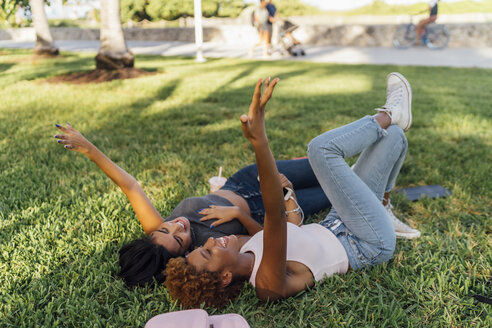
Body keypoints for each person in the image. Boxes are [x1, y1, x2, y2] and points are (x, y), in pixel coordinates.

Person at [165, 72, 414, 308]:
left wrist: (289, 195)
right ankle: (391, 112)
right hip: (367, 242)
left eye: (202, 247)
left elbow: (290, 227)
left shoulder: (244, 247)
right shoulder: (267, 286)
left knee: (393, 136)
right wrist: (259, 141)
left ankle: (383, 204)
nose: (210, 241)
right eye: (208, 253)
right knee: (321, 150)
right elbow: (275, 219)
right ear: (225, 278)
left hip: (337, 220)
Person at [53, 124, 331, 286]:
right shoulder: (209, 252)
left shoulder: (155, 230)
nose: (178, 225)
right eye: (180, 238)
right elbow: (267, 239)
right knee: (337, 187)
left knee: (324, 162)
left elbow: (130, 186)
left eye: (166, 228)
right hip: (272, 209)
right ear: (184, 253)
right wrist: (238, 215)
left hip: (245, 182)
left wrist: (88, 148)